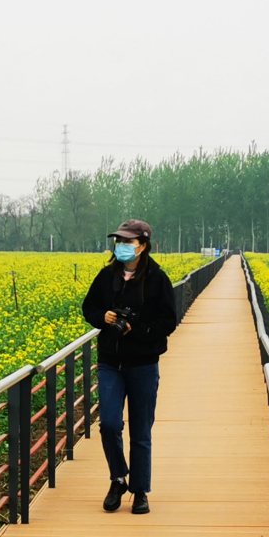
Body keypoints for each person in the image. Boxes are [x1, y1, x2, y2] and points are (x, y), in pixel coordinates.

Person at [81, 219, 177, 514]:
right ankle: (118, 477)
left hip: (144, 365)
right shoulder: (106, 276)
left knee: (140, 431)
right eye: (119, 241)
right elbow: (89, 308)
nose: (122, 246)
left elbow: (167, 322)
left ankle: (140, 491)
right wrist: (104, 317)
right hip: (110, 363)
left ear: (143, 246)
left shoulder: (157, 279)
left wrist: (134, 329)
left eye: (128, 242)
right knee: (109, 424)